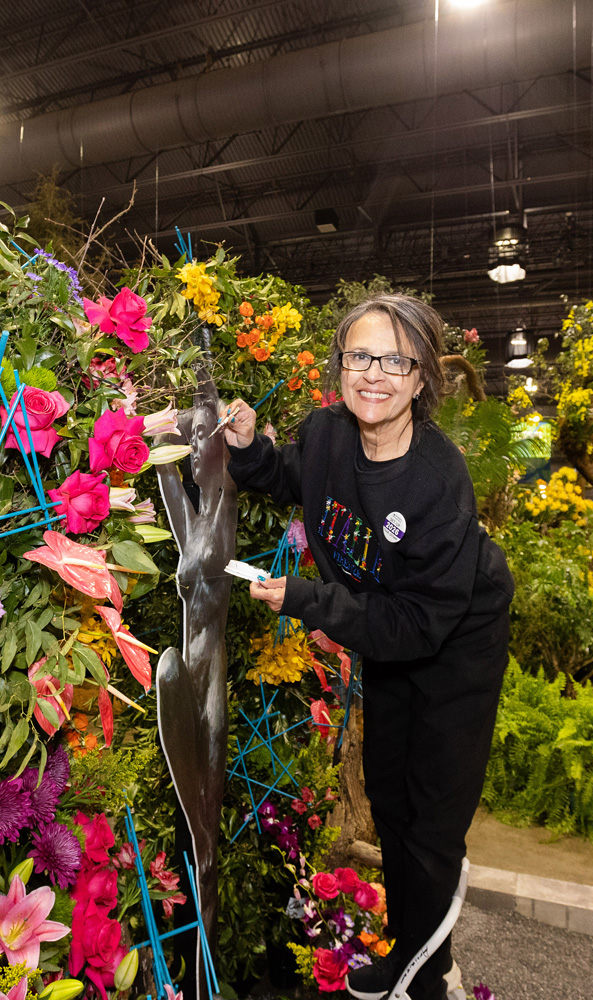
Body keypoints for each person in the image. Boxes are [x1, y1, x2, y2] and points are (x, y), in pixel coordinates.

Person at [222, 294, 514, 1000]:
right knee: (388, 798)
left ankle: (429, 978)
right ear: (341, 365)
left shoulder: (439, 480)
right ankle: (408, 954)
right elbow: (294, 478)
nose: (373, 374)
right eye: (360, 356)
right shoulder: (327, 435)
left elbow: (419, 624)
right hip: (388, 631)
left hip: (455, 641)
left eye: (394, 359)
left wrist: (307, 599)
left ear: (421, 379)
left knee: (432, 816)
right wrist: (248, 448)